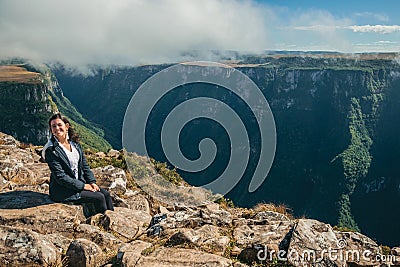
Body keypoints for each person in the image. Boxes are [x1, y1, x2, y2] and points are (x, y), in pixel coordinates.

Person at [42, 113, 114, 215]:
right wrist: (84, 186)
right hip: (63, 190)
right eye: (53, 126)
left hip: (77, 184)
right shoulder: (51, 150)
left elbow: (84, 166)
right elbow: (61, 177)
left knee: (106, 194)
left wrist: (92, 182)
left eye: (59, 125)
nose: (57, 128)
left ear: (66, 126)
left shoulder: (74, 143)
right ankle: (101, 224)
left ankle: (112, 219)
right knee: (99, 197)